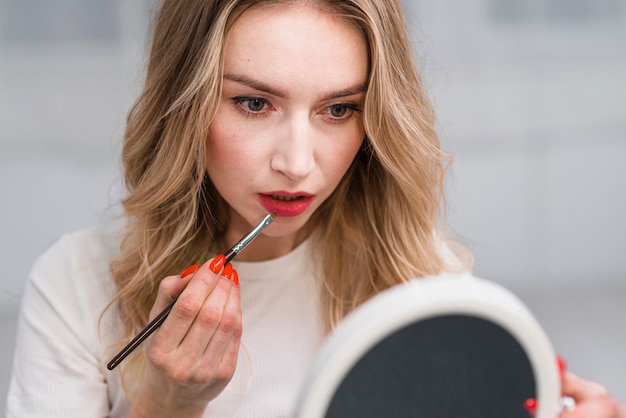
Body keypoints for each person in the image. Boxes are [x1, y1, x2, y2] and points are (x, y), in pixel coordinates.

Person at [6, 0, 625, 417]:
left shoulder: (420, 279)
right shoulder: (74, 287)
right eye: (254, 103)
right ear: (185, 103)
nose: (298, 163)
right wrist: (165, 403)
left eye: (338, 109)